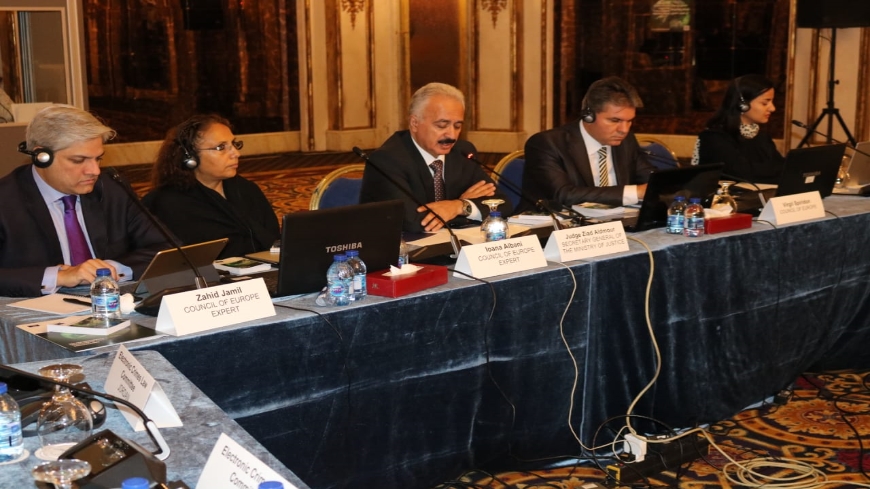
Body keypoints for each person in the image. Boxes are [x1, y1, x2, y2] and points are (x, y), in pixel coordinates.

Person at [0, 105, 169, 297]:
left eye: (98, 159)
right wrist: (59, 277)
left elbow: (167, 249)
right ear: (42, 157)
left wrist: (108, 270)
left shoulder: (111, 189)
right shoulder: (6, 200)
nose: (94, 171)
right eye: (79, 160)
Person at [359, 82, 512, 233]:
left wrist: (459, 206)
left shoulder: (462, 152)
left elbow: (501, 204)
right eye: (441, 125)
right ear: (414, 123)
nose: (452, 135)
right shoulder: (387, 160)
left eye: (457, 126)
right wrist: (458, 209)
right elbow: (413, 222)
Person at [143, 114, 279, 259]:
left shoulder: (246, 189)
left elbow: (275, 239)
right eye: (221, 147)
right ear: (190, 157)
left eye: (234, 144)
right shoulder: (167, 204)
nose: (236, 153)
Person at [521, 76, 655, 211]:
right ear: (588, 116)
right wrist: (635, 192)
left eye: (629, 121)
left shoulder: (626, 142)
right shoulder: (547, 144)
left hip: (616, 219)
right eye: (615, 121)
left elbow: (652, 179)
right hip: (554, 220)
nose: (624, 130)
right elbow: (563, 195)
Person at [693, 74, 784, 183]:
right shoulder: (714, 138)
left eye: (772, 102)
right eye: (765, 103)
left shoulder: (763, 138)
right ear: (743, 104)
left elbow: (783, 170)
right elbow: (745, 175)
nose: (773, 108)